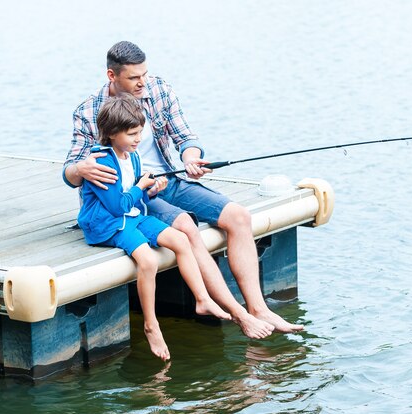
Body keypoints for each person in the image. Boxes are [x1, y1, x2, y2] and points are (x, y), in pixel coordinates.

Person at [64, 40, 303, 337]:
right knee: (187, 227)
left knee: (239, 216)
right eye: (134, 78)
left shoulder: (158, 90)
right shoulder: (88, 111)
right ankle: (240, 315)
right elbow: (71, 170)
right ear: (112, 76)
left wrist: (191, 158)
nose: (143, 83)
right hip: (136, 195)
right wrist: (79, 169)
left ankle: (259, 309)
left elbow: (185, 136)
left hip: (172, 179)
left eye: (145, 74)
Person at [78, 95, 231, 361]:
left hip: (132, 214)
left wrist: (149, 189)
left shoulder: (132, 156)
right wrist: (140, 187)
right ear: (112, 133)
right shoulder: (102, 162)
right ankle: (151, 324)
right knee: (147, 261)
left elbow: (134, 195)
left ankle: (202, 299)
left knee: (181, 240)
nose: (138, 139)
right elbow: (116, 206)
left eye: (140, 132)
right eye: (132, 133)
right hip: (108, 224)